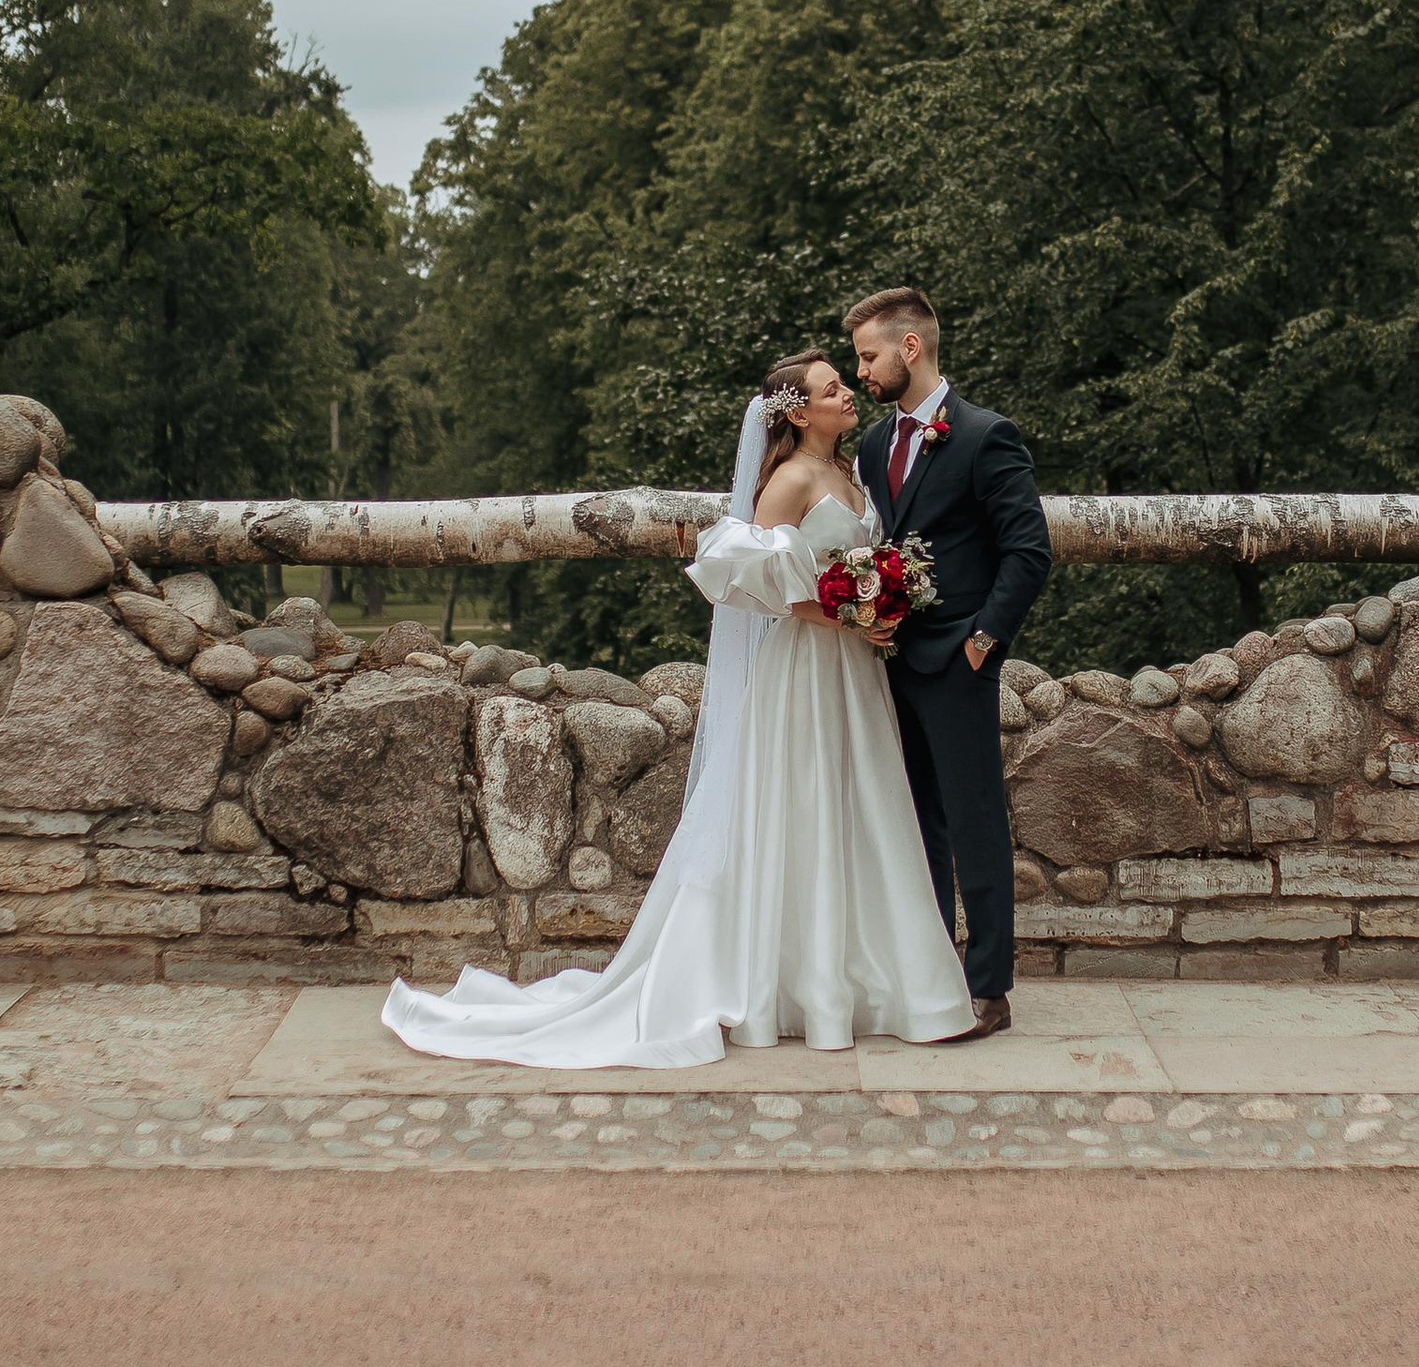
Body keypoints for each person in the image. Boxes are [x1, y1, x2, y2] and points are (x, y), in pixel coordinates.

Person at [379, 352, 976, 1071]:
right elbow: (755, 585)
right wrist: (848, 619)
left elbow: (850, 568)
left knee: (862, 807)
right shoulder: (786, 483)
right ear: (795, 411)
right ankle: (794, 987)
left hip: (855, 672)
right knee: (805, 806)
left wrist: (879, 605)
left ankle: (863, 982)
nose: (846, 392)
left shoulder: (851, 473)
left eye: (842, 384)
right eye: (830, 388)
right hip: (807, 668)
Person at [846, 287, 1053, 1035]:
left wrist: (981, 643)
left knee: (974, 823)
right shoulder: (872, 446)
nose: (862, 373)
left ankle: (988, 988)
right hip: (888, 663)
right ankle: (933, 973)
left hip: (960, 662)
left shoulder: (985, 435)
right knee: (914, 823)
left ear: (910, 348)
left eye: (869, 356)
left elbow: (1029, 553)